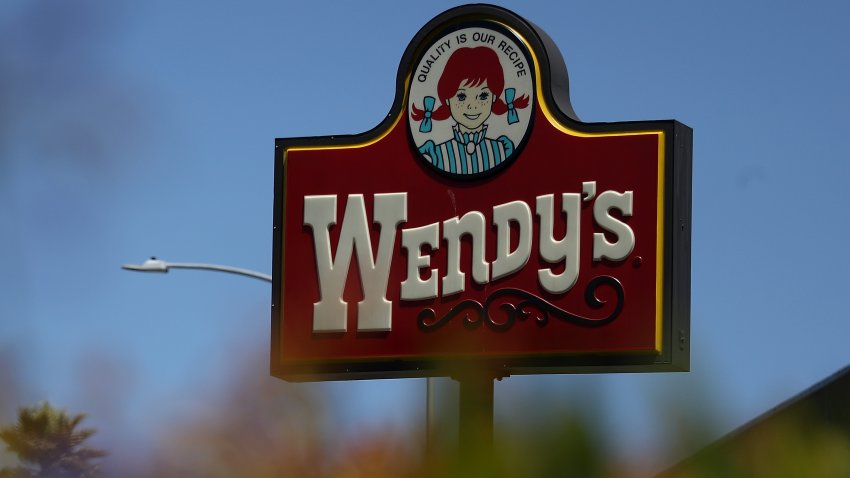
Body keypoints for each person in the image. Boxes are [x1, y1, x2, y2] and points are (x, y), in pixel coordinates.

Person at [411, 46, 530, 175]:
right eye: (461, 96)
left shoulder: (503, 148)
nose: (472, 106)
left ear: (494, 97)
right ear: (447, 99)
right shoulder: (435, 153)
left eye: (483, 96)